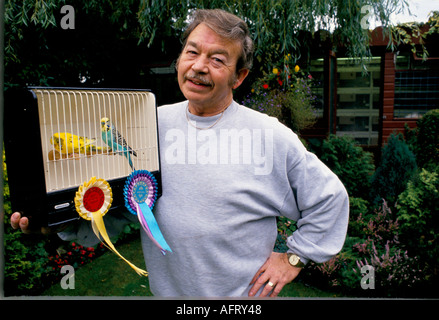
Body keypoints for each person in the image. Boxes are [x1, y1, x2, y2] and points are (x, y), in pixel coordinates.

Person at [11, 9, 349, 297]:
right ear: (180, 60)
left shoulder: (270, 136)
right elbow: (118, 211)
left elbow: (330, 199)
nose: (199, 66)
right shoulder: (149, 124)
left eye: (217, 60)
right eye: (192, 52)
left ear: (239, 76)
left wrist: (294, 258)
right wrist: (56, 221)